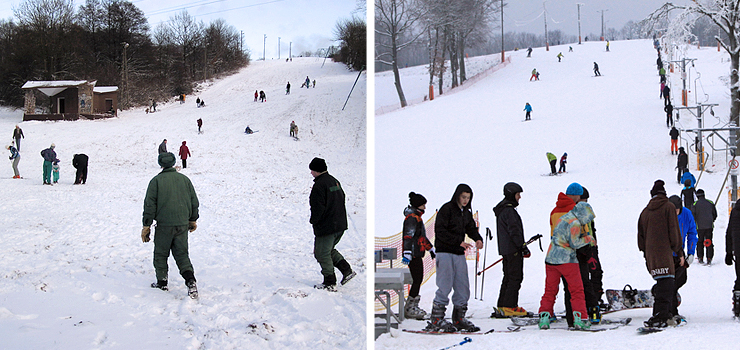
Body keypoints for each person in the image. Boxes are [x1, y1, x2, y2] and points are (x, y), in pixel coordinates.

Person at [142, 152, 200, 298]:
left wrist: (146, 225)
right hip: (182, 224)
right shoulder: (185, 180)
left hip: (164, 226)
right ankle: (190, 281)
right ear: (174, 162)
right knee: (182, 254)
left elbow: (150, 205)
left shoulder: (155, 181)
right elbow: (194, 201)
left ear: (160, 164)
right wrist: (193, 219)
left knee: (161, 254)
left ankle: (162, 282)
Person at [427, 184, 483, 332]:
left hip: (459, 253)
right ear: (457, 195)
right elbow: (440, 231)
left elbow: (471, 228)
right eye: (463, 197)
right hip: (445, 252)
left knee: (462, 286)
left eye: (468, 198)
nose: (465, 200)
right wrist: (457, 241)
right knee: (444, 284)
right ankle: (437, 318)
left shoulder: (466, 212)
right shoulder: (447, 209)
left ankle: (459, 318)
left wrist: (478, 239)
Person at [538, 201, 595, 330]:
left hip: (551, 258)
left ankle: (544, 318)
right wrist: (588, 239)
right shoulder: (575, 222)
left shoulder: (564, 218)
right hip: (567, 260)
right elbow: (574, 243)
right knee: (576, 290)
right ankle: (580, 319)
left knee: (550, 290)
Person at [638, 180, 683, 328]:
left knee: (663, 283)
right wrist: (679, 251)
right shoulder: (668, 207)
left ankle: (664, 314)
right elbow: (674, 232)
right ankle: (660, 316)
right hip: (664, 254)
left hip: (651, 256)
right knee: (667, 284)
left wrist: (646, 254)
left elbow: (640, 238)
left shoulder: (645, 212)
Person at [308, 157, 355, 292]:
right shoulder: (334, 181)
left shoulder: (319, 185)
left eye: (312, 170)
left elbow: (317, 207)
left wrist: (314, 221)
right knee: (328, 250)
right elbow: (342, 199)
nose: (311, 172)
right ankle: (347, 270)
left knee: (322, 253)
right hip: (339, 224)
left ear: (316, 170)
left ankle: (330, 282)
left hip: (327, 226)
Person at [493, 182, 529, 317]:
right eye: (518, 194)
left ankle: (503, 304)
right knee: (515, 277)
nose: (519, 197)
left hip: (506, 249)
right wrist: (522, 247)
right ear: (511, 195)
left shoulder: (503, 210)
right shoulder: (509, 211)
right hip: (513, 249)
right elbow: (514, 231)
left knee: (508, 277)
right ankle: (509, 306)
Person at [402, 192, 435, 320]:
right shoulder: (412, 218)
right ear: (417, 206)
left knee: (418, 279)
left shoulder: (417, 218)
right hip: (414, 255)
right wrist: (408, 252)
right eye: (423, 205)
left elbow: (421, 237)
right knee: (417, 279)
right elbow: (408, 236)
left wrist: (430, 248)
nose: (425, 208)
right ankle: (410, 308)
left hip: (417, 253)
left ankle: (412, 306)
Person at [667, 195, 697, 320]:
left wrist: (691, 252)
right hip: (667, 254)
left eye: (677, 210)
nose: (675, 213)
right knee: (671, 284)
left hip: (681, 254)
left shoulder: (687, 214)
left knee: (682, 279)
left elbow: (692, 233)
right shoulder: (665, 214)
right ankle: (672, 310)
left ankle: (659, 291)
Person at [693, 189, 717, 265]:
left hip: (699, 226)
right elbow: (715, 214)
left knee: (700, 242)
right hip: (709, 226)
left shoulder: (695, 204)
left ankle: (700, 257)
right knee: (709, 241)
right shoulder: (710, 203)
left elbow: (693, 216)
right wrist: (711, 220)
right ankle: (709, 257)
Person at [725, 199, 740, 317]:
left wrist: (729, 252)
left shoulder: (735, 212)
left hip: (738, 250)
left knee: (739, 277)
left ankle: (738, 300)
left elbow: (729, 232)